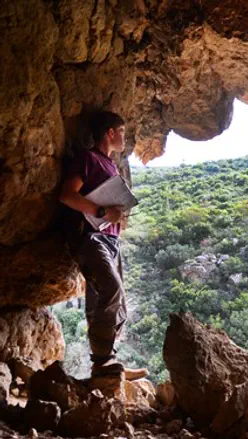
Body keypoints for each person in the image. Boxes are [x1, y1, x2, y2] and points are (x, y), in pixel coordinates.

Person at [59, 111, 148, 380]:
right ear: (110, 132)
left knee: (109, 302)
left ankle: (108, 362)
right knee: (111, 289)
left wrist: (115, 214)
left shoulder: (110, 165)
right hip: (91, 236)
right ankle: (103, 361)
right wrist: (101, 212)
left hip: (110, 239)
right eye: (121, 130)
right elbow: (66, 195)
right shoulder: (89, 159)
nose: (124, 136)